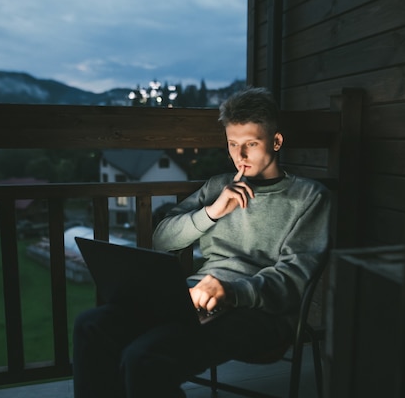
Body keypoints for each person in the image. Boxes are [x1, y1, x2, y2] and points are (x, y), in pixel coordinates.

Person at [72, 87, 331, 398]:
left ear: (276, 142)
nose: (241, 156)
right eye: (233, 144)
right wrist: (212, 212)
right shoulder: (218, 187)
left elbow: (294, 280)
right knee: (91, 325)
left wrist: (231, 292)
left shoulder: (309, 197)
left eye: (251, 144)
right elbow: (162, 239)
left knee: (144, 357)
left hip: (263, 313)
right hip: (195, 297)